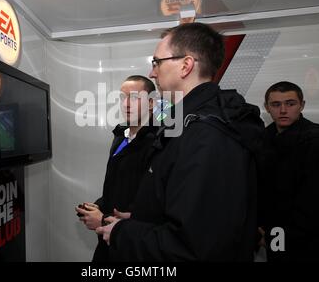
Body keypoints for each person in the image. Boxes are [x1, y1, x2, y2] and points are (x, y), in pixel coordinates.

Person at [96, 22, 265, 261]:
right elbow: (185, 210)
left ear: (186, 65)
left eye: (157, 62)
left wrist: (123, 232)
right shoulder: (186, 125)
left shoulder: (206, 134)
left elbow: (192, 246)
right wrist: (140, 219)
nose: (153, 73)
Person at [257, 81, 319, 261]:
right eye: (276, 104)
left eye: (290, 103)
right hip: (278, 242)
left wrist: (274, 239)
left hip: (315, 249)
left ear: (302, 105)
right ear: (266, 107)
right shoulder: (263, 143)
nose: (283, 110)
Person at [76, 75, 158, 262]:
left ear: (152, 103)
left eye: (135, 97)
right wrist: (98, 206)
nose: (126, 104)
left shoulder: (158, 143)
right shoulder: (120, 136)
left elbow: (151, 207)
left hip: (134, 248)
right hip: (107, 244)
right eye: (122, 98)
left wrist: (103, 218)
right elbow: (117, 185)